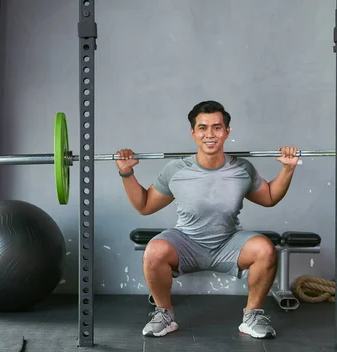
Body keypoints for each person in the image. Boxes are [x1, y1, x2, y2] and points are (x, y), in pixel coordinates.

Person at [115, 100, 299, 339]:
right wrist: (126, 172)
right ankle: (164, 315)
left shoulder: (242, 168)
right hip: (186, 242)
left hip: (228, 243)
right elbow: (145, 205)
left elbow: (270, 197)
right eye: (202, 128)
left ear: (227, 132)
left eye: (216, 127)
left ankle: (252, 317)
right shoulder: (176, 170)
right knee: (154, 251)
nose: (209, 134)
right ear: (193, 133)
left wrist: (287, 169)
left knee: (265, 249)